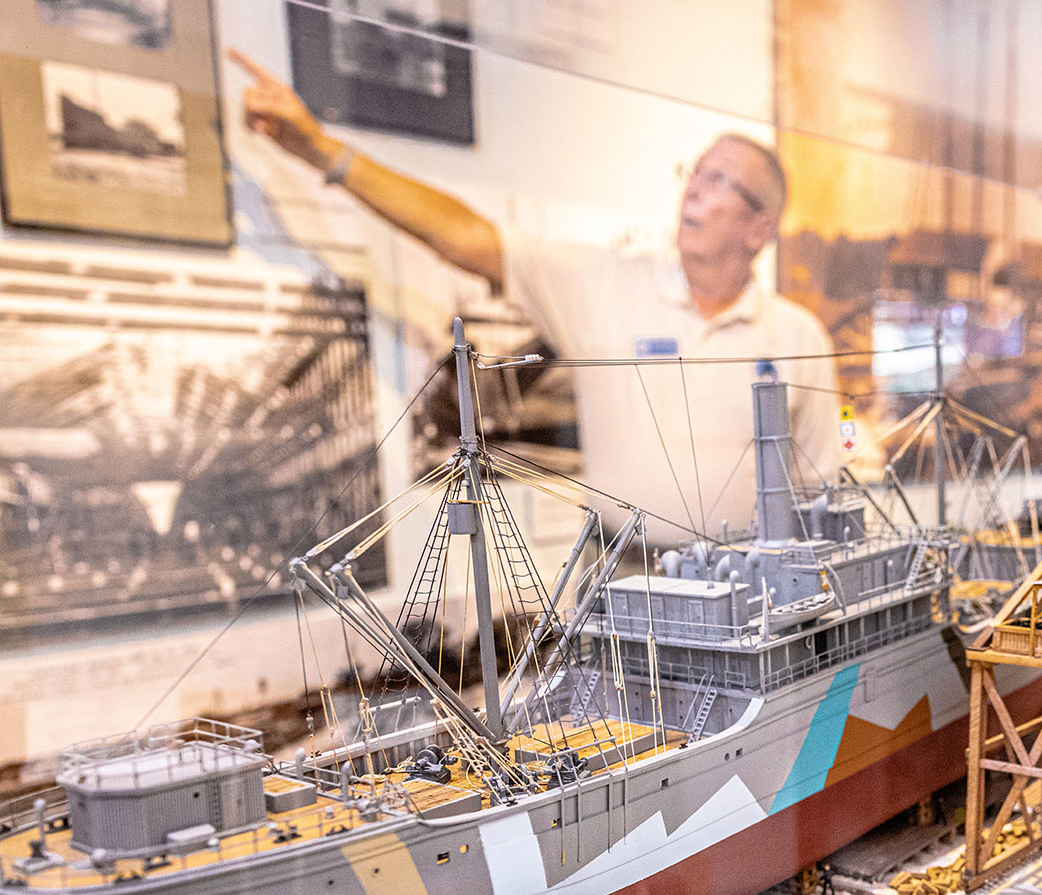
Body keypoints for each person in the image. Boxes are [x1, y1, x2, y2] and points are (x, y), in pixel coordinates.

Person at [230, 51, 842, 535]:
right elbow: (464, 236)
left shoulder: (796, 336)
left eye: (720, 182)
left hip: (753, 599)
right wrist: (319, 149)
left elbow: (819, 490)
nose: (694, 192)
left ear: (761, 226)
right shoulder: (602, 284)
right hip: (619, 583)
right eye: (695, 174)